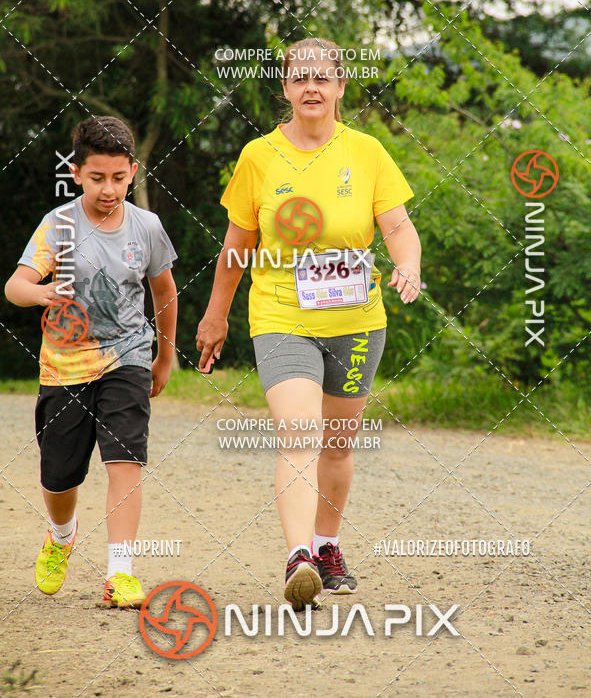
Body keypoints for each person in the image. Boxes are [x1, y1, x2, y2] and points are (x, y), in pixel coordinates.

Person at [196, 38, 421, 610]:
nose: (312, 87)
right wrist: (216, 313)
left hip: (358, 323)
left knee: (339, 446)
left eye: (323, 78)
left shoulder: (367, 152)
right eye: (301, 78)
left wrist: (409, 266)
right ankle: (299, 557)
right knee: (300, 434)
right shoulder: (259, 156)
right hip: (281, 317)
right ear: (286, 89)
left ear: (342, 86)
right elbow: (237, 244)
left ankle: (327, 546)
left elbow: (397, 227)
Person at [4, 116, 177, 608]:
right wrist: (42, 292)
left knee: (125, 460)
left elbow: (163, 293)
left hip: (128, 357)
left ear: (134, 172)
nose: (109, 189)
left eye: (119, 178)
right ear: (76, 172)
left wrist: (163, 357)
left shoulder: (147, 227)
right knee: (59, 476)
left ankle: (120, 573)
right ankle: (61, 535)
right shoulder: (57, 224)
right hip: (63, 367)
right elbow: (14, 287)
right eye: (97, 178)